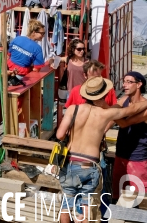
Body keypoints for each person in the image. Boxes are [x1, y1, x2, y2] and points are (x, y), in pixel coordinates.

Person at [56, 76, 147, 223]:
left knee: (66, 203)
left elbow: (60, 135)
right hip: (89, 164)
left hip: (70, 162)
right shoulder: (106, 114)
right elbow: (132, 109)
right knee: (87, 205)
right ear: (103, 95)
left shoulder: (74, 109)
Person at [112, 71, 147, 202]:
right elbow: (112, 115)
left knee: (137, 199)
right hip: (120, 155)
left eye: (129, 82)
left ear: (139, 84)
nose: (124, 85)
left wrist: (105, 108)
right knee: (117, 196)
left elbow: (124, 124)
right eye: (124, 81)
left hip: (137, 158)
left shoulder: (145, 107)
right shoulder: (125, 99)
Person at [7, 19, 53, 85]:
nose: (43, 36)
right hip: (21, 76)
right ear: (34, 32)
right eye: (42, 33)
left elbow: (8, 55)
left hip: (7, 71)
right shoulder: (37, 48)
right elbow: (37, 69)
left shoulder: (17, 38)